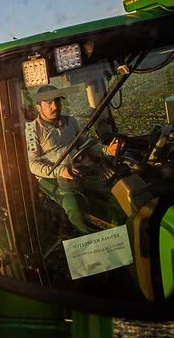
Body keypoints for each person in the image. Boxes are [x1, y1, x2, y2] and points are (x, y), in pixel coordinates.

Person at [25, 85, 121, 234]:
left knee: (115, 197)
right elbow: (33, 164)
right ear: (38, 107)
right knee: (77, 212)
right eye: (48, 103)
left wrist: (107, 150)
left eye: (57, 101)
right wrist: (60, 171)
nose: (54, 106)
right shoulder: (32, 130)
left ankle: (122, 232)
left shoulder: (71, 122)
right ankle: (93, 244)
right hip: (53, 179)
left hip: (80, 170)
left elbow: (87, 144)